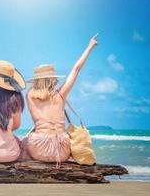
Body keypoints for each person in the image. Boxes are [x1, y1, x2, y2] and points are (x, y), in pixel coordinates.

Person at [25, 34, 98, 163]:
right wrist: (89, 47)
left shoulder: (30, 94)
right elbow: (76, 70)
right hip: (61, 152)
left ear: (36, 80)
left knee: (25, 142)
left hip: (38, 150)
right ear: (53, 79)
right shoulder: (61, 94)